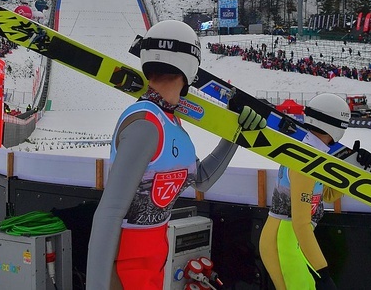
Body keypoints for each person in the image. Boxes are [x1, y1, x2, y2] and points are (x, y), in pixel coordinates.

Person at [85, 20, 266, 290]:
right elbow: (109, 213)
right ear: (191, 68)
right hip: (128, 266)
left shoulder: (170, 121)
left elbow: (201, 180)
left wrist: (235, 136)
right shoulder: (147, 124)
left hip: (154, 259)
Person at [259, 93, 371, 290]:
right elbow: (301, 223)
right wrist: (323, 274)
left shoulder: (314, 153)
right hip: (285, 240)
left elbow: (327, 195)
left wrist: (354, 170)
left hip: (288, 238)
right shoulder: (305, 158)